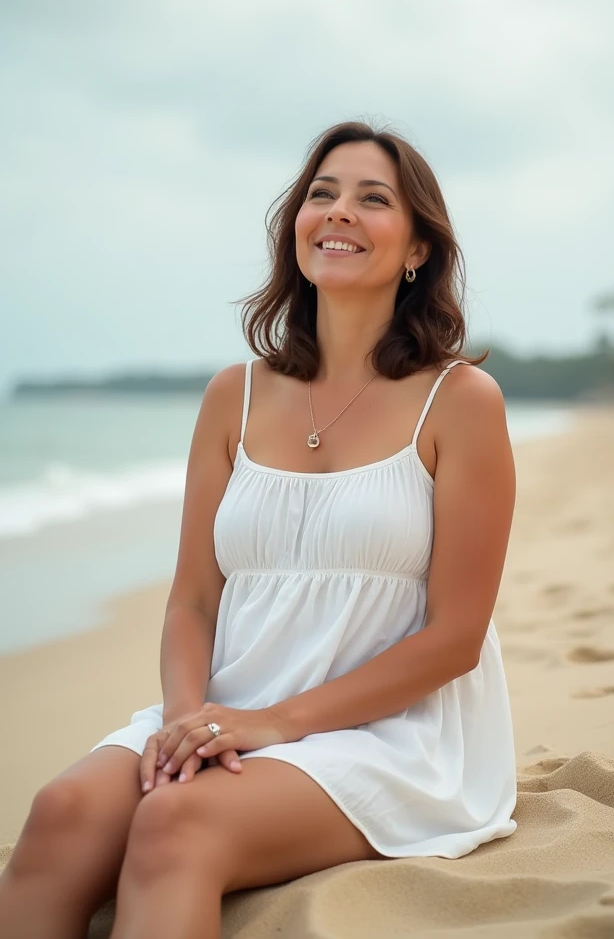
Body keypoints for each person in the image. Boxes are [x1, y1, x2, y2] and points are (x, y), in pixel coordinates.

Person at [0, 119, 518, 938]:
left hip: (388, 734)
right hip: (229, 709)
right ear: (298, 228)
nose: (340, 211)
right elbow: (193, 602)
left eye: (373, 199)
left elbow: (456, 637)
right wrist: (185, 721)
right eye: (322, 194)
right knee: (61, 811)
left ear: (418, 249)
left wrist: (273, 724)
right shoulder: (232, 396)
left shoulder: (458, 402)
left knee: (175, 826)